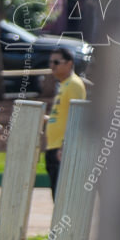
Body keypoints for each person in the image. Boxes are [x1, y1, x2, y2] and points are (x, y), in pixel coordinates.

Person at [44, 47, 86, 200]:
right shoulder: (64, 84)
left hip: (62, 149)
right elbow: (63, 115)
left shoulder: (73, 84)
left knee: (63, 197)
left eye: (56, 62)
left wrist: (66, 145)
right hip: (54, 147)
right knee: (58, 195)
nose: (52, 66)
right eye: (50, 62)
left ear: (69, 64)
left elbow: (78, 116)